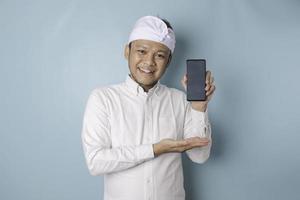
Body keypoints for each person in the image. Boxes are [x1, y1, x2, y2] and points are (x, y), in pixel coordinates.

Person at [81, 15, 216, 200]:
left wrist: (199, 108)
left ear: (168, 61)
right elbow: (95, 162)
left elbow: (199, 156)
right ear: (127, 52)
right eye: (142, 51)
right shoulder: (103, 98)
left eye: (159, 55)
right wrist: (155, 149)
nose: (149, 62)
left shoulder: (180, 100)